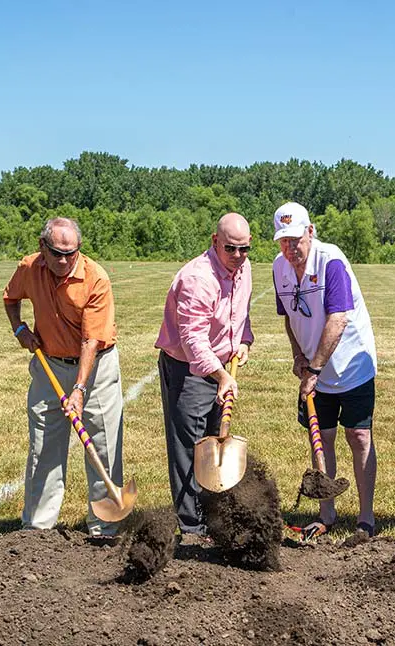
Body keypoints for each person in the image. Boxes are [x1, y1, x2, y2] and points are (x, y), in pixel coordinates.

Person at [3, 217, 125, 539]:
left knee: (102, 446)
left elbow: (91, 340)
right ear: (43, 247)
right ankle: (37, 531)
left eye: (71, 254)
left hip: (96, 367)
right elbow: (10, 298)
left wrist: (80, 388)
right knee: (44, 446)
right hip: (50, 366)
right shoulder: (29, 268)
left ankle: (105, 527)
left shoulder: (96, 278)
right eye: (56, 253)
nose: (63, 261)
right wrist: (19, 329)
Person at [272, 202, 378, 539]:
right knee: (323, 437)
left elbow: (338, 319)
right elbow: (290, 316)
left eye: (295, 239)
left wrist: (314, 368)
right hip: (314, 368)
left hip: (352, 365)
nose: (290, 248)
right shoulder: (279, 268)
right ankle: (326, 514)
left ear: (311, 232)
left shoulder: (330, 260)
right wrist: (298, 356)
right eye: (283, 241)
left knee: (358, 436)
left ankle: (365, 518)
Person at [156, 213, 254, 535]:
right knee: (190, 448)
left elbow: (241, 314)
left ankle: (213, 518)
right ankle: (191, 528)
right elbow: (193, 340)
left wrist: (244, 341)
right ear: (215, 241)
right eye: (231, 249)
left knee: (214, 443)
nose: (238, 256)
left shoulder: (243, 269)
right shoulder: (198, 280)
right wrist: (222, 376)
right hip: (188, 369)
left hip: (220, 365)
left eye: (244, 249)